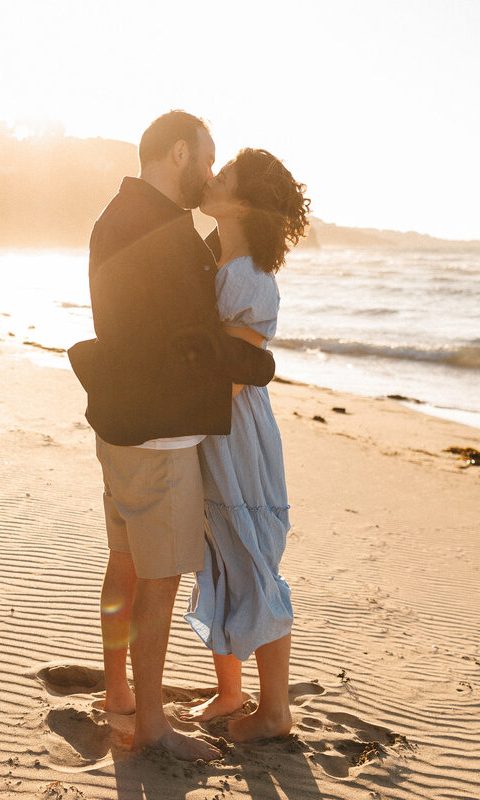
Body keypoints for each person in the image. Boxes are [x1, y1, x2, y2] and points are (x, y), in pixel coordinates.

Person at [68, 111, 276, 761]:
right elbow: (192, 342)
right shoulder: (164, 231)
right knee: (159, 581)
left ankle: (119, 692)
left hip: (118, 424)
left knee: (125, 560)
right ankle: (153, 724)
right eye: (207, 160)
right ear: (180, 153)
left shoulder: (117, 215)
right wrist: (258, 363)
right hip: (158, 437)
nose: (210, 174)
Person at [180, 148, 310, 742]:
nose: (211, 179)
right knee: (220, 554)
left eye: (224, 176)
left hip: (236, 433)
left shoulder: (249, 277)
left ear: (242, 203)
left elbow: (232, 376)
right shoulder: (222, 263)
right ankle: (231, 692)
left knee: (252, 558)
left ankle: (276, 710)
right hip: (215, 427)